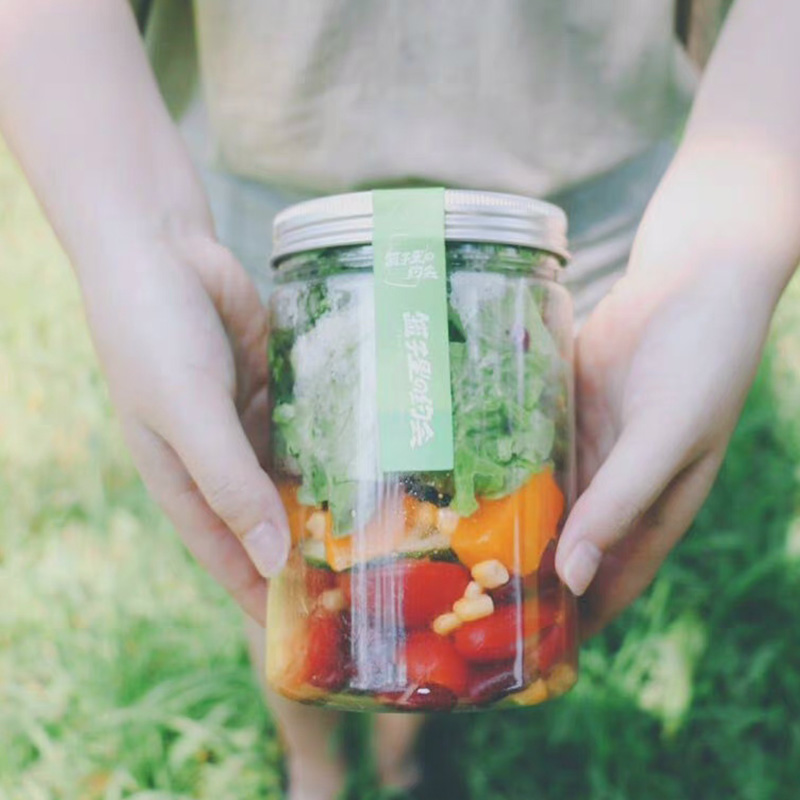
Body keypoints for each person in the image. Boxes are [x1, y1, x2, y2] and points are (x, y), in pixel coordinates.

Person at [1, 1, 798, 797]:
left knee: (441, 543)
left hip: (573, 210)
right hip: (273, 204)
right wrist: (137, 240)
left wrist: (725, 246)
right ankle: (313, 762)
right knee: (298, 549)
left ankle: (404, 751)